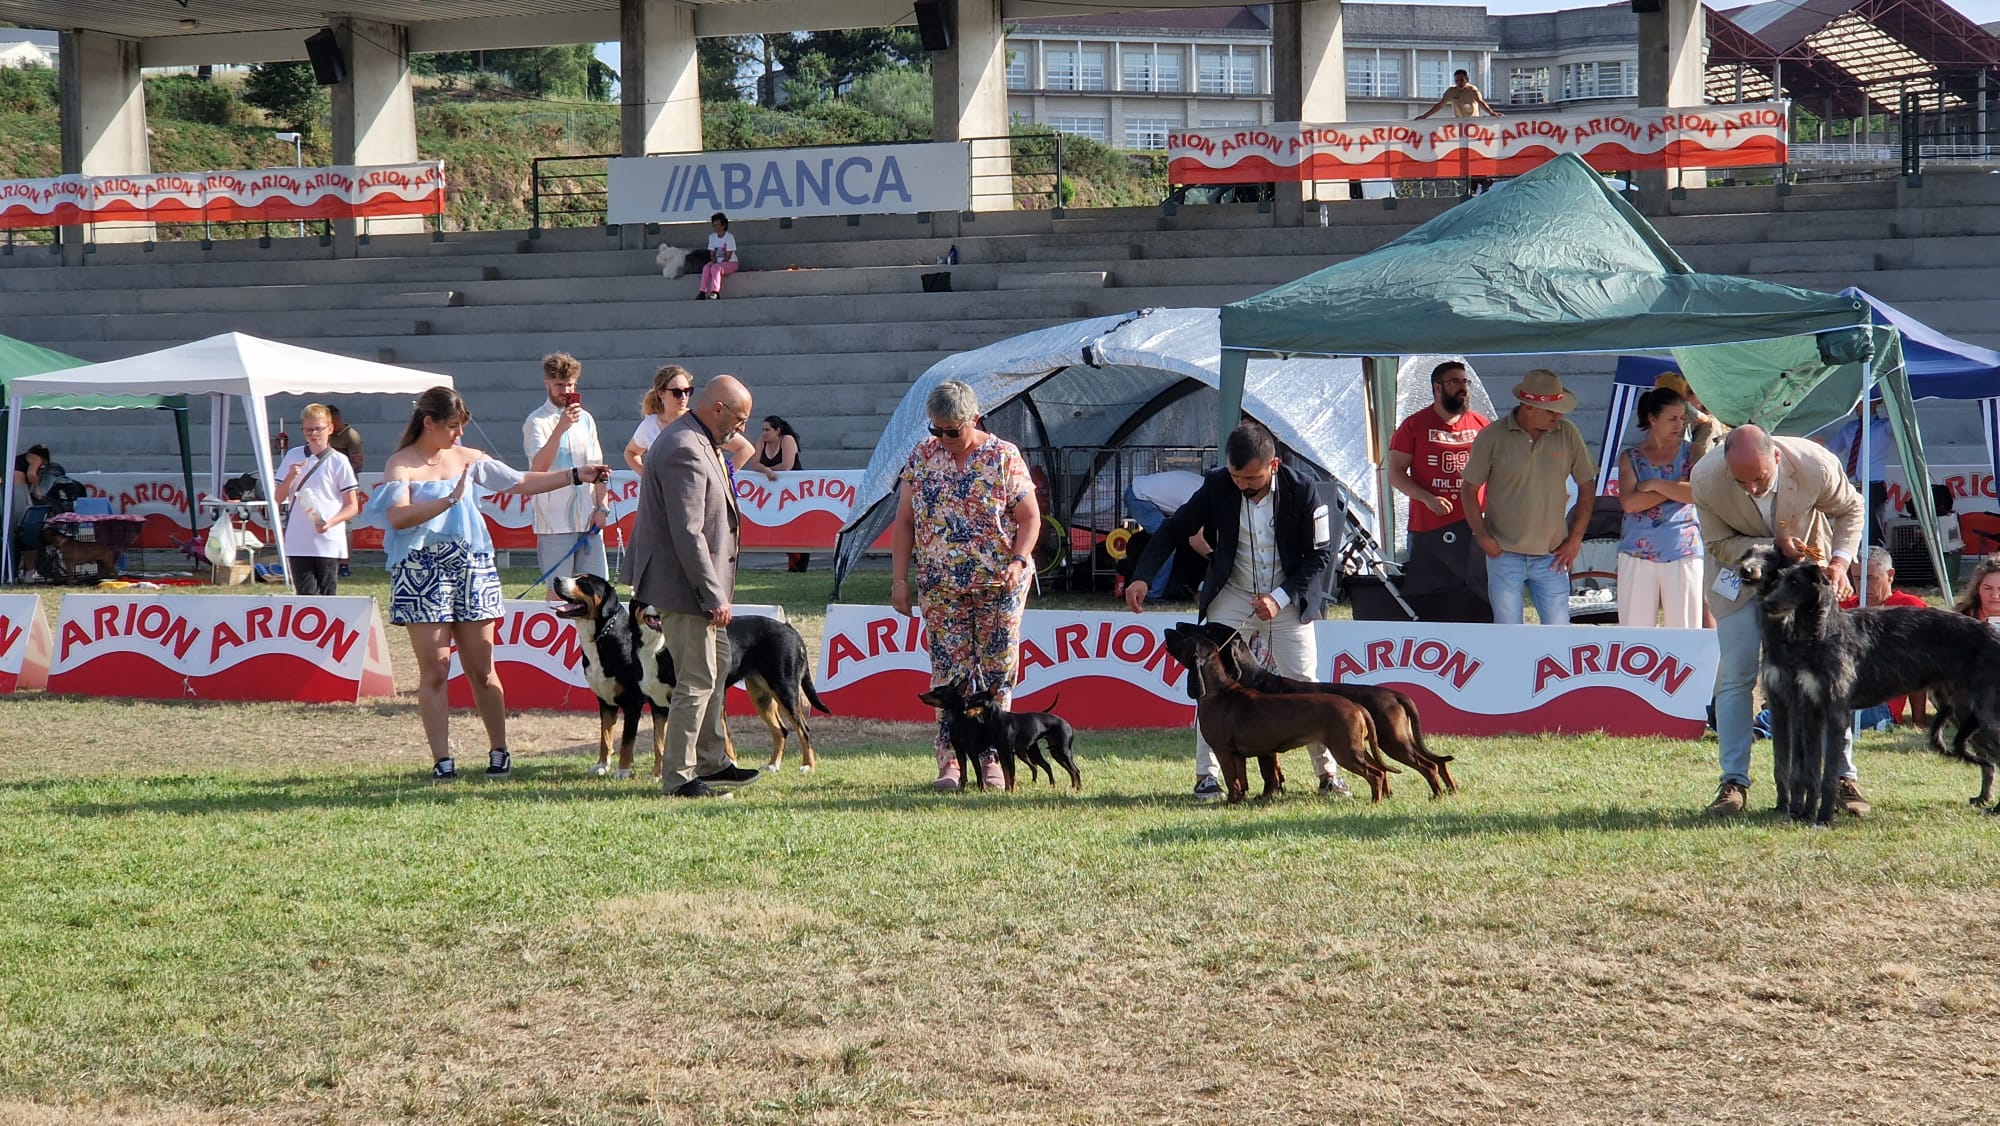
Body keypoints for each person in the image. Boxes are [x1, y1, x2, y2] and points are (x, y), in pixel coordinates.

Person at [363, 387, 612, 781]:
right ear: (428, 423)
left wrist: (576, 476)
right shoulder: (402, 464)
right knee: (435, 669)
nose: (458, 436)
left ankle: (500, 751)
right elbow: (398, 517)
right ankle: (442, 760)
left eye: (461, 428)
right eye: (451, 427)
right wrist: (448, 501)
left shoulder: (470, 458)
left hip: (472, 569)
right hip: (421, 573)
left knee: (482, 667)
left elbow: (519, 482)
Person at [1124, 421, 1349, 801]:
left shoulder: (1305, 489)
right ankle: (1206, 776)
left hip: (1288, 598)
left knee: (1303, 681)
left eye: (1250, 477)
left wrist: (1279, 597)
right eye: (1234, 475)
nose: (1241, 484)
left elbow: (1320, 555)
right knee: (1210, 683)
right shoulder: (1215, 485)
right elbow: (1175, 529)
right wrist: (1141, 576)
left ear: (1273, 465)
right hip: (1231, 593)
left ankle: (1328, 775)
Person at [1691, 424, 1869, 818]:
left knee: (1829, 679)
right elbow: (1717, 543)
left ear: (1776, 457)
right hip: (1740, 577)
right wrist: (1772, 548)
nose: (1752, 489)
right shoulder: (1705, 478)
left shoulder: (1815, 464)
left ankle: (1842, 777)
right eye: (1742, 482)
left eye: (1759, 479)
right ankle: (1733, 781)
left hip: (1805, 582)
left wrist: (1839, 562)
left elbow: (1851, 509)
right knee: (1737, 675)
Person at [890, 380, 1041, 792]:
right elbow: (904, 523)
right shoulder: (921, 458)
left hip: (1000, 584)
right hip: (941, 588)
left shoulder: (1003, 456)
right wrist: (900, 580)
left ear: (973, 420)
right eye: (935, 430)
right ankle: (951, 761)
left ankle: (992, 757)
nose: (943, 438)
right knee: (949, 675)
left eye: (952, 431)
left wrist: (1019, 559)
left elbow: (1030, 518)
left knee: (995, 674)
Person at [623, 375, 766, 798]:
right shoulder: (685, 447)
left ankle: (714, 762)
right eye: (739, 419)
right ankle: (680, 776)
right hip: (684, 586)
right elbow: (689, 533)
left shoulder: (696, 439)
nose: (740, 429)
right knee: (697, 678)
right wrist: (712, 594)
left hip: (689, 583)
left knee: (716, 667)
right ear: (718, 408)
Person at [1460, 370, 1597, 626]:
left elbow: (1587, 487)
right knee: (1508, 631)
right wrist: (1482, 536)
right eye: (1551, 410)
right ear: (1527, 406)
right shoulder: (1492, 436)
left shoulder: (1568, 433)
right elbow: (1468, 490)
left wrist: (1575, 540)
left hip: (1552, 555)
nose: (1559, 415)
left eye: (1559, 408)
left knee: (1558, 631)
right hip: (1504, 554)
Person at [1388, 360, 1491, 619]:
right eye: (1455, 382)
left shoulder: (1481, 425)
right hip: (1428, 528)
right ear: (1437, 388)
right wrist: (1427, 498)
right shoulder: (1414, 425)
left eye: (1465, 382)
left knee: (1475, 597)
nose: (1463, 388)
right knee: (1429, 597)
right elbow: (1395, 473)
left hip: (1473, 526)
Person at [1614, 387, 1703, 628]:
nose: (1679, 424)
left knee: (1685, 629)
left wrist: (1655, 484)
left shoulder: (1693, 451)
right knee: (1635, 631)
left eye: (1682, 418)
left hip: (1682, 549)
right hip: (1636, 551)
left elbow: (1695, 493)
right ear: (1652, 419)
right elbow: (1630, 503)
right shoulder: (1631, 456)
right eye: (1672, 419)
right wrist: (1675, 488)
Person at [522, 352, 610, 583]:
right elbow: (538, 469)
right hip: (554, 522)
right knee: (559, 592)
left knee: (596, 591)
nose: (566, 392)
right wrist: (560, 429)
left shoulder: (586, 419)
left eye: (570, 385)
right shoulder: (537, 421)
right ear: (547, 383)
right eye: (559, 385)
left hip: (588, 517)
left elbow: (599, 468)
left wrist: (602, 508)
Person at [624, 365, 773, 482]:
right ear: (661, 393)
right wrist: (645, 474)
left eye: (687, 391)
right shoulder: (650, 424)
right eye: (676, 392)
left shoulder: (698, 420)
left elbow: (745, 449)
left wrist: (722, 475)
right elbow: (631, 453)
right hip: (662, 496)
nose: (683, 397)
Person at [273, 404, 362, 596]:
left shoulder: (339, 461)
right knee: (305, 596)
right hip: (299, 540)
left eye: (318, 429)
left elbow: (352, 505)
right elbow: (277, 498)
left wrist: (331, 522)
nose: (313, 434)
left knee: (327, 596)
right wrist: (290, 477)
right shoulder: (293, 456)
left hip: (328, 540)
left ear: (329, 429)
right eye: (308, 429)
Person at [1842, 549, 1928, 728]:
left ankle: (1769, 723)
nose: (1863, 586)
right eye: (1857, 578)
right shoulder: (1844, 608)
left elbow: (1919, 668)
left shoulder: (1909, 608)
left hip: (1880, 704)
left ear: (1890, 575)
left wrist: (1918, 719)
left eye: (1870, 577)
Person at [1122, 469, 1205, 603]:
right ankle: (1154, 594)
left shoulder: (1204, 488)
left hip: (1142, 491)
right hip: (1139, 497)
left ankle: (1172, 588)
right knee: (1166, 547)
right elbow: (1196, 539)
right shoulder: (1198, 497)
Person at [1821, 399, 1892, 546]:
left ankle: (1876, 563)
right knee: (1850, 525)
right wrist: (1816, 446)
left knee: (1873, 529)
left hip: (1872, 485)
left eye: (1861, 403)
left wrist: (1886, 399)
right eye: (1857, 403)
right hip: (1851, 485)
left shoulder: (1884, 426)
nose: (1856, 407)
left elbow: (1901, 422)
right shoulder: (1849, 427)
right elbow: (1831, 450)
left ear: (1873, 404)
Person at [757, 416, 810, 573]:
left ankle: (798, 566)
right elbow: (754, 463)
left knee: (796, 527)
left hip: (795, 491)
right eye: (763, 430)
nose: (764, 433)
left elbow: (787, 466)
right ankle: (793, 564)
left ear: (777, 430)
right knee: (781, 525)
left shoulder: (787, 440)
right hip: (774, 492)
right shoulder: (762, 440)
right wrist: (766, 470)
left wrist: (767, 469)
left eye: (767, 430)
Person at [1654, 372, 1726, 465]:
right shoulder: (1685, 408)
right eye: (1689, 392)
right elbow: (1704, 419)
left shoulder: (1657, 408)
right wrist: (1708, 419)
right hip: (1681, 455)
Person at [9, 443, 50, 579]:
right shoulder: (35, 458)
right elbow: (31, 474)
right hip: (19, 490)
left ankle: (15, 569)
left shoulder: (17, 458)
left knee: (12, 527)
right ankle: (30, 571)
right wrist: (37, 488)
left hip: (8, 491)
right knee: (25, 526)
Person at [1413, 69, 1503, 120]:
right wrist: (1424, 116)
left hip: (1473, 122)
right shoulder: (1451, 91)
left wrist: (1491, 112)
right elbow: (1440, 105)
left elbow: (1480, 102)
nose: (1459, 83)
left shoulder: (1473, 90)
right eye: (1457, 81)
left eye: (1461, 80)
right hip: (1459, 123)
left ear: (1467, 80)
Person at [697, 212, 738, 300]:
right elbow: (712, 253)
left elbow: (728, 255)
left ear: (724, 225)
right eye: (714, 225)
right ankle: (702, 291)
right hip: (717, 263)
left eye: (718, 225)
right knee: (706, 268)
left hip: (731, 262)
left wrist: (717, 265)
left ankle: (715, 292)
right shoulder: (712, 237)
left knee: (715, 268)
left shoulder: (729, 237)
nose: (717, 228)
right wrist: (714, 262)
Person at [326, 405, 364, 473]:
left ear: (337, 419)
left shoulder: (351, 436)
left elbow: (357, 465)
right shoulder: (324, 434)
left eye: (329, 423)